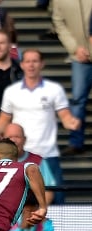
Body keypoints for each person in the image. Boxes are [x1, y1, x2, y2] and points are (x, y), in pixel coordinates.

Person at [0, 49, 80, 204]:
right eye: (28, 61)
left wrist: (71, 121)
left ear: (42, 64)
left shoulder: (54, 89)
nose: (31, 65)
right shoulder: (12, 91)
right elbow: (4, 119)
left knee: (57, 202)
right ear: (22, 64)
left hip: (47, 154)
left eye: (35, 61)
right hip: (20, 156)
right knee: (18, 201)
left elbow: (65, 115)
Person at [52, 0, 92, 155]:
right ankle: (76, 142)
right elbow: (58, 22)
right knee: (77, 99)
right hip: (78, 56)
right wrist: (75, 48)